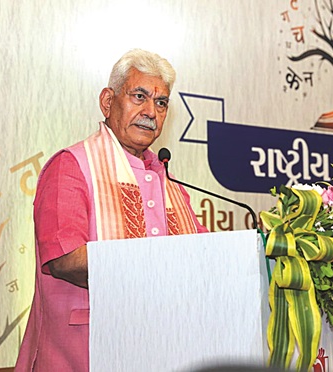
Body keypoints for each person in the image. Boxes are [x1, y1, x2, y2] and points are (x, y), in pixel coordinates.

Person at [14, 49, 208, 371]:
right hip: (82, 354)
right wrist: (155, 263)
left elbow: (204, 256)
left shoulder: (170, 182)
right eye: (139, 96)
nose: (151, 111)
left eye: (161, 103)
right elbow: (65, 260)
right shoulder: (72, 166)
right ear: (107, 102)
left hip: (160, 352)